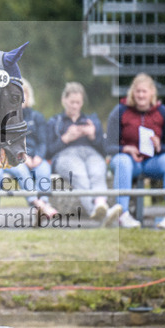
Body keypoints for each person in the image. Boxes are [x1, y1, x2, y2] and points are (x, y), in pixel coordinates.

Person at [105, 73, 165, 230]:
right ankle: (122, 214)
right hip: (128, 161)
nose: (140, 95)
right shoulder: (120, 111)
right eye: (137, 91)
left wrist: (159, 146)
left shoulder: (163, 113)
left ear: (151, 93)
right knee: (122, 161)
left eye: (144, 91)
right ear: (132, 93)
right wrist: (125, 149)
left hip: (152, 161)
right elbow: (108, 146)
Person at [46, 82, 120, 226]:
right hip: (65, 155)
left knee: (98, 171)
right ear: (64, 100)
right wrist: (65, 139)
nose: (74, 106)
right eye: (72, 102)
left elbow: (104, 149)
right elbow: (48, 152)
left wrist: (93, 135)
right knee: (79, 174)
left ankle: (100, 204)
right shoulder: (55, 122)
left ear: (82, 103)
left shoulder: (91, 120)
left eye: (78, 102)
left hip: (91, 153)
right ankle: (100, 212)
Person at [16, 79, 58, 218]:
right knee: (21, 171)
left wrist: (39, 157)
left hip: (36, 158)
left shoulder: (37, 117)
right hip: (14, 159)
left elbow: (43, 142)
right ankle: (39, 205)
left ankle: (42, 202)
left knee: (44, 169)